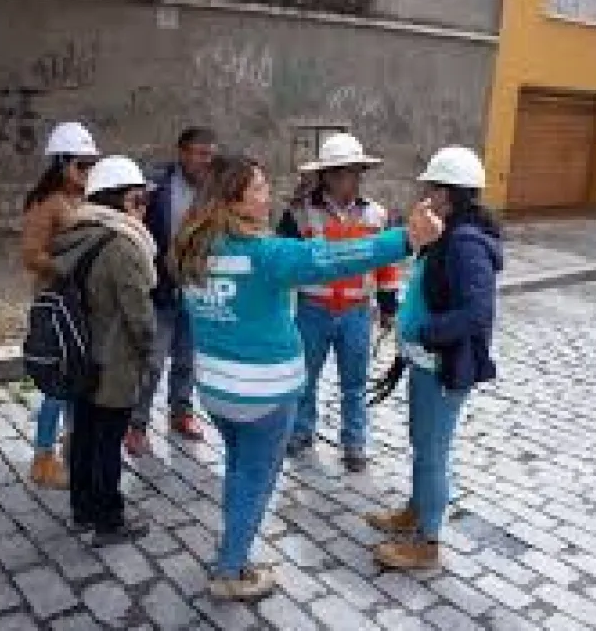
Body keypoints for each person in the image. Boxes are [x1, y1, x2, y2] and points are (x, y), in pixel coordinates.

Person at [171, 154, 442, 599]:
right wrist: (407, 239)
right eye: (258, 188)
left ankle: (232, 548)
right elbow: (333, 257)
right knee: (255, 481)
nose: (267, 196)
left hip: (216, 390)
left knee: (240, 472)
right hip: (264, 394)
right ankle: (232, 570)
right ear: (234, 198)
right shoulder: (267, 254)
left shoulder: (193, 248)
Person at [365, 146, 502, 569]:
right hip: (424, 362)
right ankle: (415, 510)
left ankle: (428, 543)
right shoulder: (446, 232)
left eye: (430, 186)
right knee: (421, 443)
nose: (423, 192)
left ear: (447, 193)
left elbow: (477, 312)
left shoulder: (465, 243)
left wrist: (425, 332)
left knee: (433, 452)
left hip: (442, 366)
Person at [276, 133, 402, 473]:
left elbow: (386, 264)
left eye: (359, 171)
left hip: (356, 313)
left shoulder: (376, 214)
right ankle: (301, 432)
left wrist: (389, 308)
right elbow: (281, 257)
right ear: (328, 175)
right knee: (304, 378)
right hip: (312, 310)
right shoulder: (299, 213)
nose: (356, 178)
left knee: (355, 384)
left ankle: (354, 442)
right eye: (349, 171)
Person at [50, 155, 157, 545]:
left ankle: (82, 509)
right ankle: (109, 518)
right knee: (107, 440)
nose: (145, 208)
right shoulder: (122, 245)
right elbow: (139, 315)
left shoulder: (76, 234)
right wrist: (147, 353)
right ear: (123, 200)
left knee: (83, 434)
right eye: (140, 199)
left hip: (78, 353)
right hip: (114, 360)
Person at [127, 127, 219, 456]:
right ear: (182, 152)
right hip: (160, 287)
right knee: (151, 361)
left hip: (197, 287)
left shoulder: (214, 189)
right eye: (199, 153)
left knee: (188, 359)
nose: (204, 161)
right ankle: (136, 424)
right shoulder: (156, 183)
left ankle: (181, 412)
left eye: (210, 155)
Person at [22, 121, 100, 488]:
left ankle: (72, 448)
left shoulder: (82, 199)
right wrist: (66, 268)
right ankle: (42, 459)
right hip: (55, 304)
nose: (87, 172)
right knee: (56, 384)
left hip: (80, 303)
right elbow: (30, 254)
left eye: (91, 165)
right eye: (81, 165)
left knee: (79, 377)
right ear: (61, 163)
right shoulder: (47, 203)